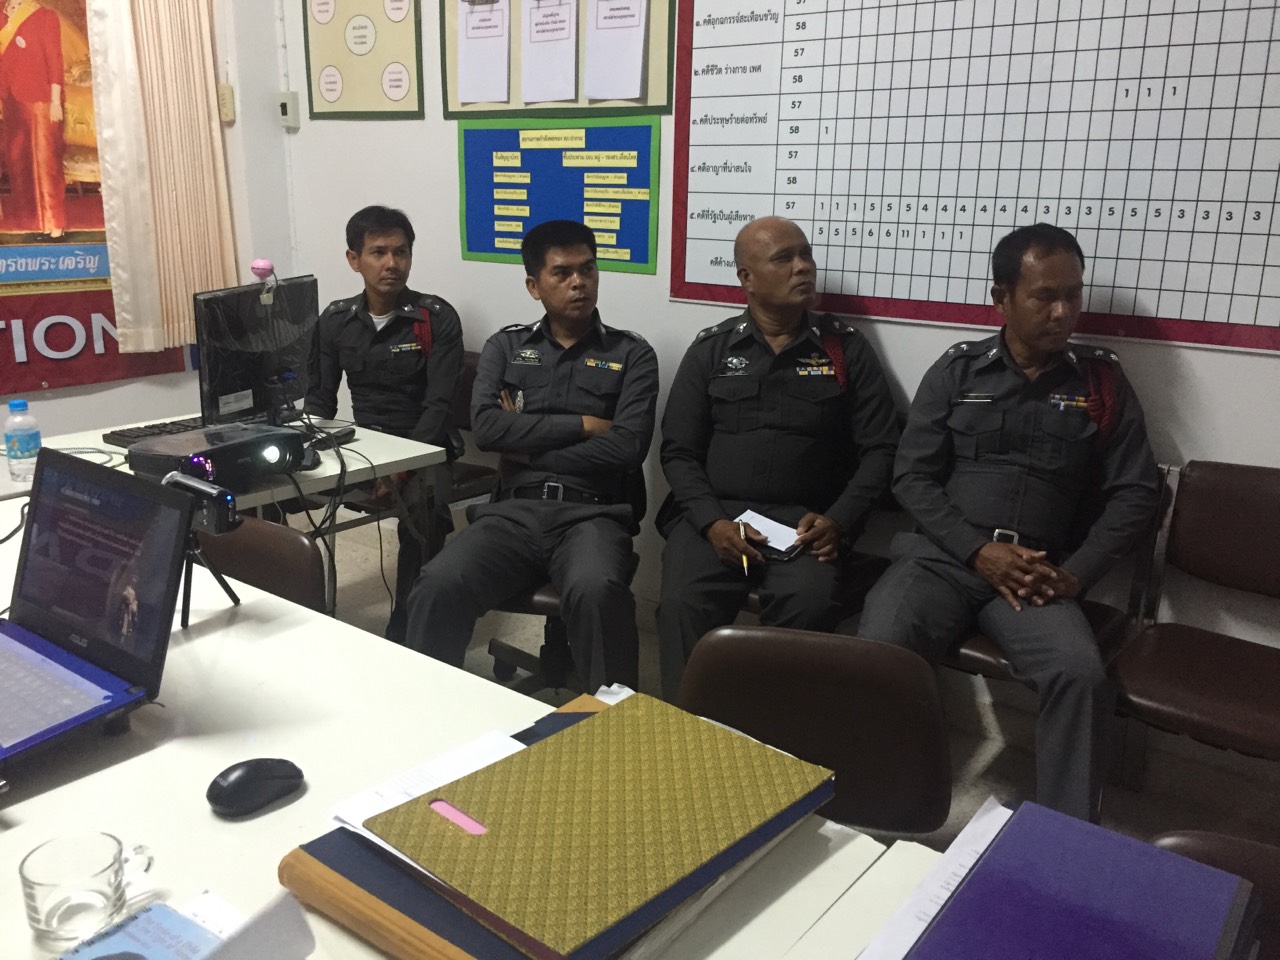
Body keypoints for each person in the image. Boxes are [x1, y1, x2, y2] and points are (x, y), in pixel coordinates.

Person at [857, 222, 1160, 821]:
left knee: (1080, 675)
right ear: (1001, 298)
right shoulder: (959, 370)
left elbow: (1136, 493)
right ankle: (882, 802)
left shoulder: (1100, 381)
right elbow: (911, 477)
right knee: (880, 649)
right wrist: (976, 551)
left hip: (1035, 574)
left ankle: (1063, 837)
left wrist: (1077, 574)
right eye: (1045, 296)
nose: (1063, 311)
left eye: (1072, 295)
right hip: (943, 558)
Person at [405, 220, 658, 691]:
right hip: (513, 513)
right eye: (562, 273)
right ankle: (430, 708)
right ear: (534, 286)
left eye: (588, 269)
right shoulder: (506, 346)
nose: (579, 282)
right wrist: (584, 425)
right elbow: (487, 429)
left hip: (592, 515)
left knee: (599, 592)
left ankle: (616, 725)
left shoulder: (632, 354)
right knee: (438, 582)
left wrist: (527, 446)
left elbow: (627, 446)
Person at [656, 216, 899, 700]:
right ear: (747, 278)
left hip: (804, 525)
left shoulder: (845, 351)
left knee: (810, 604)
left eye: (805, 254)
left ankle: (773, 730)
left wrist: (839, 521)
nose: (803, 267)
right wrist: (712, 523)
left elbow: (881, 450)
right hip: (717, 516)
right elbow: (678, 451)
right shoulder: (712, 349)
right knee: (682, 603)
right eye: (784, 258)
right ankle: (684, 728)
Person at [306, 205, 464, 644]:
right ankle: (295, 606)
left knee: (426, 510)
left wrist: (399, 469)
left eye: (401, 252)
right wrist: (310, 453)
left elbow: (438, 407)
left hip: (426, 448)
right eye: (378, 252)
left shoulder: (435, 318)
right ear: (354, 259)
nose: (391, 263)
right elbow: (319, 400)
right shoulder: (336, 320)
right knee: (278, 488)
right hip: (364, 445)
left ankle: (409, 621)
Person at [0, 0, 66, 239]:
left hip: (40, 100)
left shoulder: (44, 16)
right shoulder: (2, 13)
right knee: (18, 161)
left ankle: (54, 224)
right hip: (11, 100)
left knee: (44, 162)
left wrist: (55, 101)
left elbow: (54, 59)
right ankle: (31, 220)